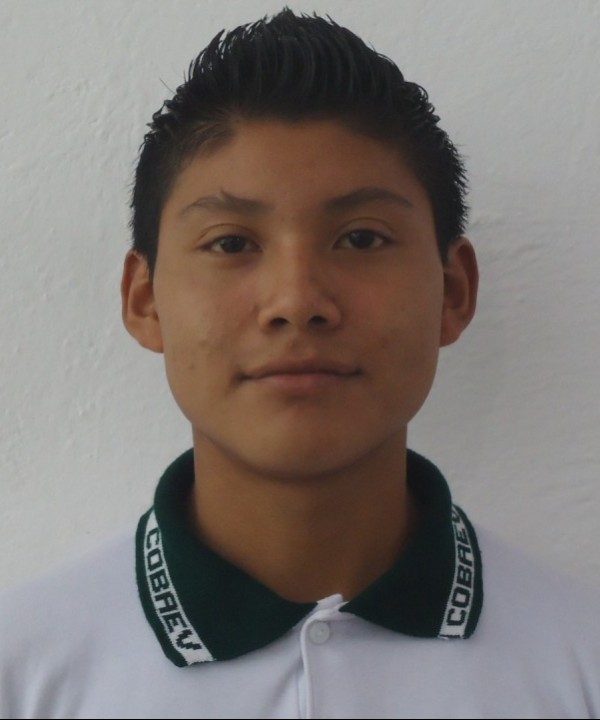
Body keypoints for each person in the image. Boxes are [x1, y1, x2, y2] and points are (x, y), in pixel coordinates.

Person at [1, 7, 599, 719]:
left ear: (454, 291)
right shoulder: (23, 671)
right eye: (231, 243)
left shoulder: (579, 660)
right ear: (145, 299)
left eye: (361, 239)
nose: (296, 301)